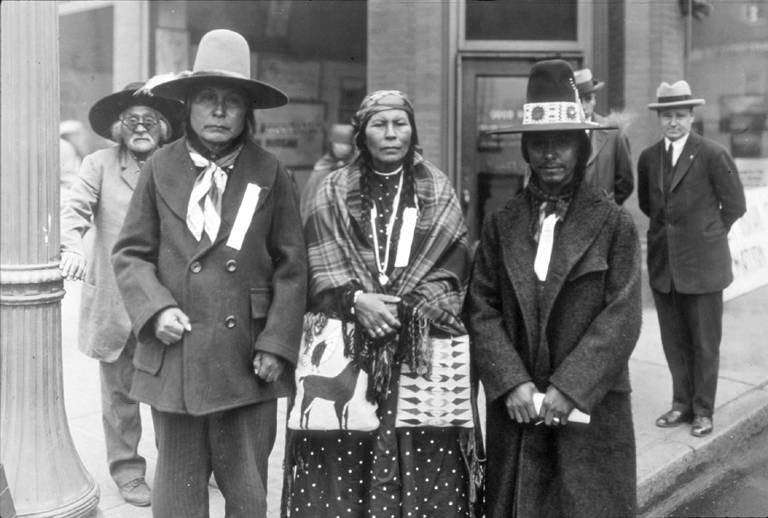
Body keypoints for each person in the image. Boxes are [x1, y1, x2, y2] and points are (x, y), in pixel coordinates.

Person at [112, 29, 306, 517]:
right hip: (175, 357)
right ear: (189, 108)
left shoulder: (270, 172)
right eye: (207, 100)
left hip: (247, 360)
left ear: (247, 112)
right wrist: (155, 310)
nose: (219, 112)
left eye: (232, 101)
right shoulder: (159, 167)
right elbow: (131, 253)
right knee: (178, 496)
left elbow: (292, 266)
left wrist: (277, 345)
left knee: (246, 493)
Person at [286, 90, 478, 516]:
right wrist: (356, 300)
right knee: (344, 459)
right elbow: (316, 263)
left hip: (418, 351)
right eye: (379, 124)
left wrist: (404, 312)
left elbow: (454, 265)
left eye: (400, 123)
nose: (391, 134)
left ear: (412, 129)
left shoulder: (438, 187)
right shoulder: (331, 189)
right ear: (361, 134)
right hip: (350, 350)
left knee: (420, 464)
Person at [466, 60, 642, 517]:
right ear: (525, 151)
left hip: (589, 412)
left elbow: (622, 315)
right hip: (519, 414)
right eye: (539, 144)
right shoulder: (502, 224)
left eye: (562, 142)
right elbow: (481, 307)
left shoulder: (613, 224)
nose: (550, 155)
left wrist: (570, 387)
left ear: (581, 148)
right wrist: (510, 382)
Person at [59, 82, 184, 506]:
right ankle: (128, 472)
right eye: (133, 121)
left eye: (151, 121)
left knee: (170, 389)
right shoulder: (99, 163)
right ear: (119, 128)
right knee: (120, 396)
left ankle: (179, 467)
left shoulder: (177, 165)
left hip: (165, 298)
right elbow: (74, 209)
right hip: (114, 301)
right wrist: (69, 245)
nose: (142, 127)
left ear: (165, 128)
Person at [638, 80, 746, 437]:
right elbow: (647, 206)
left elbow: (735, 204)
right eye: (667, 115)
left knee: (703, 342)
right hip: (664, 266)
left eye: (680, 115)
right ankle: (681, 404)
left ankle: (703, 410)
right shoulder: (649, 158)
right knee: (674, 341)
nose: (673, 122)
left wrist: (708, 234)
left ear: (692, 116)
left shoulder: (713, 154)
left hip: (703, 266)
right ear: (660, 119)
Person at [573, 67, 634, 205]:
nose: (582, 106)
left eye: (587, 99)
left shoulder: (612, 132)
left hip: (605, 217)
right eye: (577, 101)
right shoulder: (561, 135)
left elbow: (625, 182)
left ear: (595, 100)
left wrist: (607, 207)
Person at [299, 122, 355, 221]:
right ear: (332, 145)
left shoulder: (357, 167)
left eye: (347, 144)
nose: (344, 148)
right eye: (339, 143)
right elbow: (309, 204)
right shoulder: (322, 169)